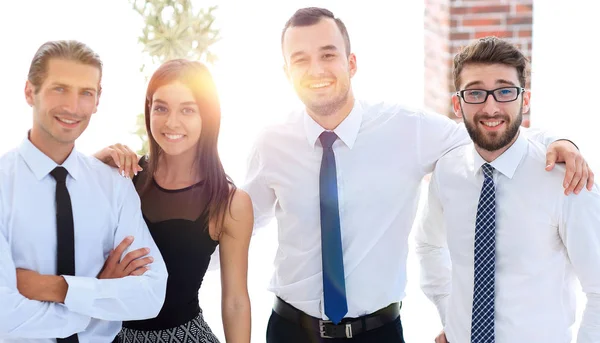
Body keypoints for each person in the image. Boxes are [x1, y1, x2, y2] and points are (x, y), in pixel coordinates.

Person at [109, 7, 593, 342]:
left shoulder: (410, 130)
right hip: (290, 331)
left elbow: (490, 125)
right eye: (300, 58)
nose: (316, 68)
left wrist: (559, 139)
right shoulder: (271, 141)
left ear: (351, 62)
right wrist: (154, 280)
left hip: (379, 333)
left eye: (327, 54)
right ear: (285, 72)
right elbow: (231, 226)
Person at [415, 36, 600, 343]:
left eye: (504, 91)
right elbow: (428, 246)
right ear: (457, 104)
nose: (490, 107)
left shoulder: (566, 181)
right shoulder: (447, 171)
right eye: (475, 93)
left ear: (524, 100)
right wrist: (454, 318)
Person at [0, 40, 168, 343]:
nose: (73, 107)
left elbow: (151, 294)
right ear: (29, 92)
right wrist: (99, 294)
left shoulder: (114, 185)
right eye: (59, 88)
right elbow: (5, 318)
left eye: (86, 93)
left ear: (97, 99)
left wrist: (59, 289)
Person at [94, 59, 253, 343]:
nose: (171, 122)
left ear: (208, 116)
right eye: (161, 108)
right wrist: (94, 164)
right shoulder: (121, 177)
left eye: (188, 110)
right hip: (111, 336)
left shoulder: (230, 203)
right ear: (149, 110)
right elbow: (58, 231)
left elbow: (236, 301)